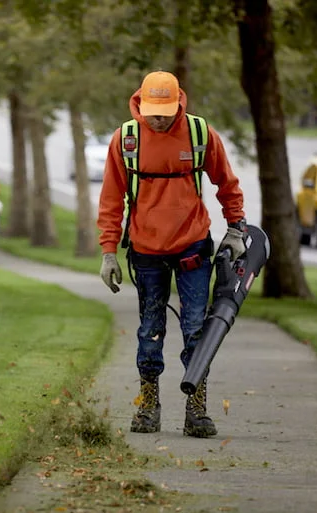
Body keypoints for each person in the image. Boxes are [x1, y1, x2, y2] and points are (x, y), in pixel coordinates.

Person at [96, 71, 247, 438]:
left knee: (196, 329)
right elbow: (111, 199)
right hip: (146, 252)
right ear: (140, 104)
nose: (157, 118)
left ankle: (196, 410)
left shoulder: (199, 134)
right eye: (151, 111)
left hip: (192, 247)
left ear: (178, 102)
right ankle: (148, 406)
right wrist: (108, 252)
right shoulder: (126, 139)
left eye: (163, 111)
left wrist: (236, 227)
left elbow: (226, 183)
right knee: (150, 330)